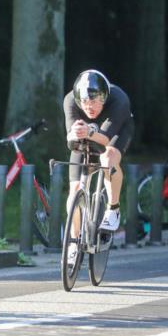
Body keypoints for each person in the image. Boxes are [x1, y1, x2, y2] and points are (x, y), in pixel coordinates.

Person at [62, 69, 134, 261]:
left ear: (103, 97)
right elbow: (70, 136)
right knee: (75, 190)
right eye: (84, 102)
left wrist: (89, 133)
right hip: (86, 133)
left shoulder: (118, 100)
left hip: (116, 131)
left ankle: (113, 208)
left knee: (107, 158)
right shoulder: (70, 100)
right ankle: (73, 242)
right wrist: (74, 135)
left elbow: (106, 139)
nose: (89, 107)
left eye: (94, 102)